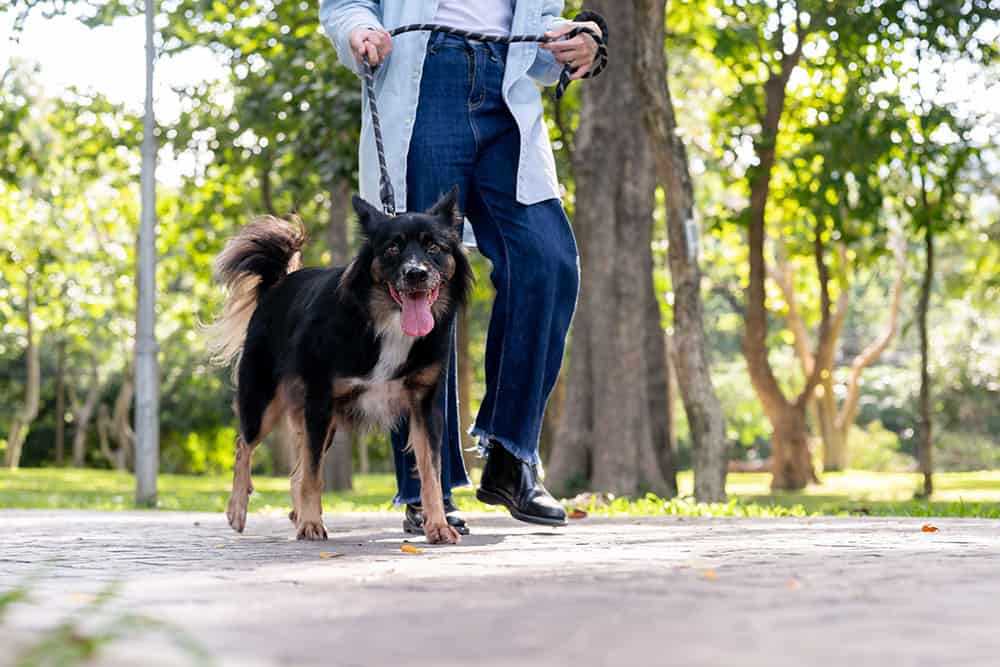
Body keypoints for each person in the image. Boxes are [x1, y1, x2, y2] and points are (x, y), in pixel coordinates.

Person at [319, 1, 606, 534]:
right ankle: (425, 487)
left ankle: (510, 455)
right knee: (412, 279)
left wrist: (578, 42)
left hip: (507, 88)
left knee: (547, 261)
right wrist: (360, 28)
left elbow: (541, 31)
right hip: (424, 80)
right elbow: (344, 4)